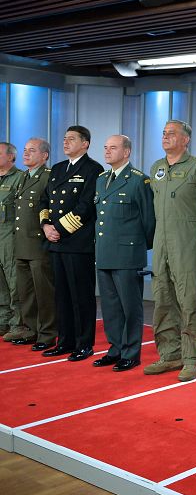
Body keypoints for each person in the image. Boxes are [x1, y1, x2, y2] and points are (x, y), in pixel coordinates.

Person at [146, 120, 196, 382]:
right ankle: (170, 354)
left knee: (190, 301)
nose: (165, 137)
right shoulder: (157, 167)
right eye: (164, 133)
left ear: (185, 140)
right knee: (163, 299)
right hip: (161, 242)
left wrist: (189, 224)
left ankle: (191, 359)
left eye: (172, 134)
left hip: (187, 242)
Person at [39, 126, 104, 361]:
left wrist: (59, 228)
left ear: (85, 144)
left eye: (72, 139)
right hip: (55, 242)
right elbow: (45, 200)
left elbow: (86, 206)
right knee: (62, 295)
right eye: (65, 138)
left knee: (81, 296)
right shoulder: (57, 168)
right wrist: (46, 226)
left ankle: (84, 344)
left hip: (78, 243)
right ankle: (64, 341)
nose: (65, 142)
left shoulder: (93, 169)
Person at [92, 135, 155, 372]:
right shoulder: (101, 179)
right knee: (110, 307)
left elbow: (149, 220)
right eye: (105, 147)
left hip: (128, 254)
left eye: (113, 147)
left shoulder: (138, 180)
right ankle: (115, 348)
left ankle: (131, 353)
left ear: (126, 152)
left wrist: (136, 246)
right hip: (105, 252)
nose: (107, 151)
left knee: (130, 307)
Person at [11, 139, 57, 350]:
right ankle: (30, 330)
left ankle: (47, 334)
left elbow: (51, 209)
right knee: (26, 292)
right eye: (25, 150)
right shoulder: (23, 177)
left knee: (43, 292)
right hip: (21, 244)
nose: (26, 154)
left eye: (32, 150)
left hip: (38, 244)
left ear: (44, 156)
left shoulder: (48, 177)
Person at [0, 142, 26, 342]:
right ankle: (3, 320)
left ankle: (18, 323)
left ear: (11, 156)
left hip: (10, 234)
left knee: (13, 280)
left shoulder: (21, 178)